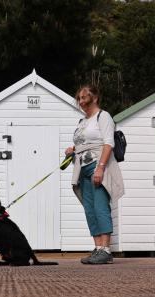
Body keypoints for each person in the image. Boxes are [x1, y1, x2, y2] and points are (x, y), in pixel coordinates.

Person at [65, 85, 124, 265]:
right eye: (79, 98)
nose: (81, 101)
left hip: (97, 165)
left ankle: (106, 250)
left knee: (100, 207)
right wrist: (73, 150)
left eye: (84, 97)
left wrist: (100, 168)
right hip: (82, 167)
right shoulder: (82, 121)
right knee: (89, 209)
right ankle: (98, 248)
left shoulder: (103, 116)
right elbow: (84, 142)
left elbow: (108, 143)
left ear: (95, 97)